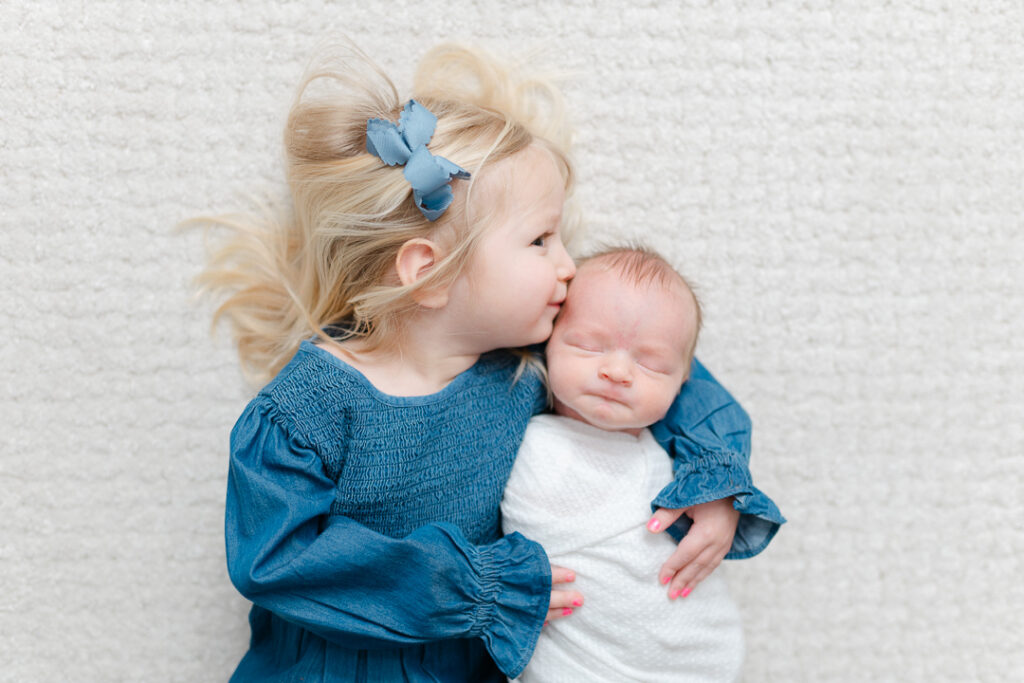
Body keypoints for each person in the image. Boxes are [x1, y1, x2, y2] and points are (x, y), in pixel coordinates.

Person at [195, 41, 780, 682]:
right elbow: (276, 559)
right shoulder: (306, 411)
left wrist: (715, 480)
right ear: (432, 273)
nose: (568, 264)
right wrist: (473, 585)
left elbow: (667, 371)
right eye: (540, 240)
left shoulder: (527, 360)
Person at [501, 247, 784, 682]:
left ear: (684, 381)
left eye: (650, 364)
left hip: (691, 656)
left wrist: (717, 490)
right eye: (588, 345)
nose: (617, 371)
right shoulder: (524, 435)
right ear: (547, 341)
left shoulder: (678, 459)